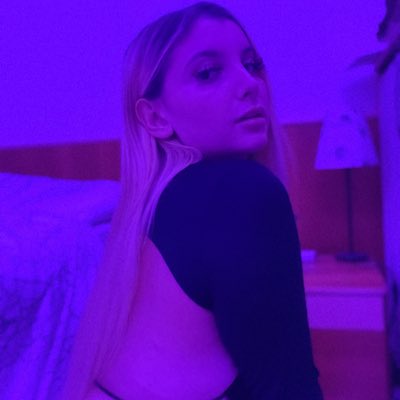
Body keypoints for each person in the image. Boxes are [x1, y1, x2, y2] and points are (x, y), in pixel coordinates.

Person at [59, 1, 323, 399]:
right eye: (208, 72)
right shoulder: (243, 194)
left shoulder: (153, 211)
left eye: (252, 65)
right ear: (155, 118)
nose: (250, 83)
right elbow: (289, 391)